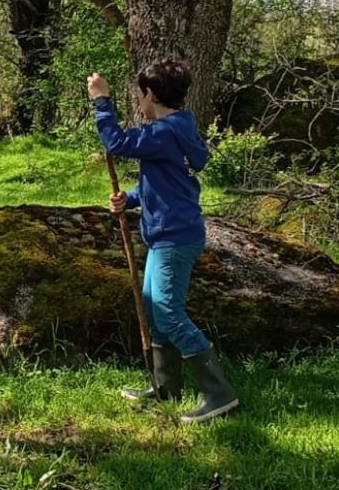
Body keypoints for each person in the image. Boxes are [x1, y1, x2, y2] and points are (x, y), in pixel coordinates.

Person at [88, 59, 239, 422]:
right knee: (155, 309)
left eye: (139, 94)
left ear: (150, 94)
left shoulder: (165, 131)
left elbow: (116, 142)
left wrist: (101, 101)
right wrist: (132, 198)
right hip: (166, 233)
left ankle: (220, 395)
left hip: (175, 237)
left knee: (169, 313)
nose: (138, 101)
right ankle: (166, 388)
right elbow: (165, 180)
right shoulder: (176, 129)